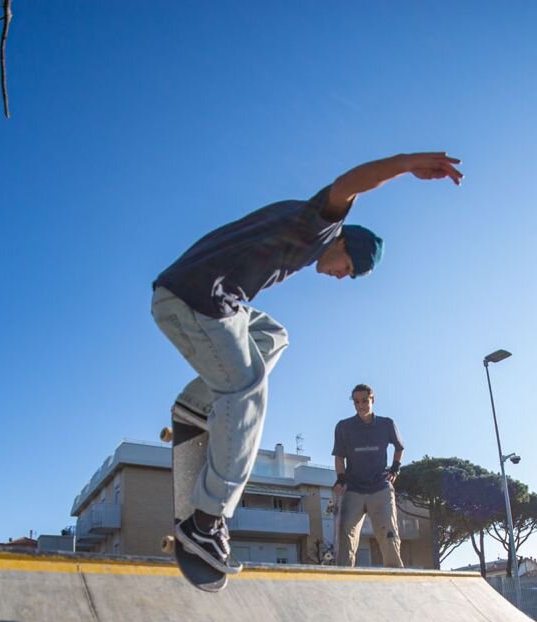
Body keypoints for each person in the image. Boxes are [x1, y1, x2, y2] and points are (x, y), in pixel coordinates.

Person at [151, 151, 463, 574]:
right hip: (198, 301)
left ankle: (197, 405)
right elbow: (350, 183)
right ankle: (206, 523)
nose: (341, 276)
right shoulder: (318, 226)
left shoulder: (300, 232)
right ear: (342, 242)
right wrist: (407, 164)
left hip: (203, 297)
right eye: (348, 267)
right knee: (247, 388)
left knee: (272, 336)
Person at [333, 384, 406, 567]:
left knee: (389, 534)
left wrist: (395, 469)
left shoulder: (386, 424)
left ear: (372, 400)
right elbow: (339, 457)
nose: (361, 406)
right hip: (353, 489)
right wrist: (341, 479)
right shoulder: (344, 427)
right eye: (356, 402)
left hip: (380, 488)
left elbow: (399, 447)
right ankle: (343, 577)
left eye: (365, 401)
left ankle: (396, 576)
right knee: (345, 537)